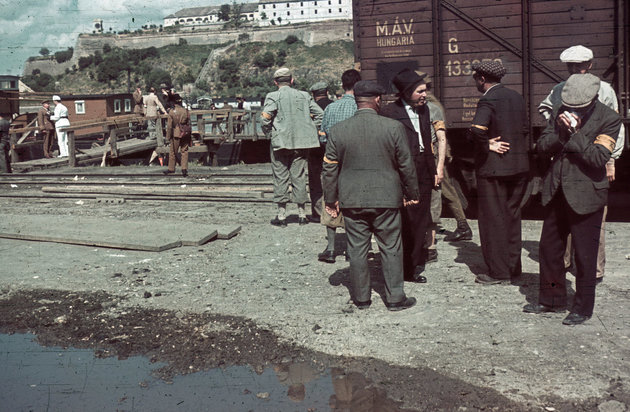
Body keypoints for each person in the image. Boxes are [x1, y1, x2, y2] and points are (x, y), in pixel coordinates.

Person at [525, 73, 621, 325]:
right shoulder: (559, 109)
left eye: (577, 106)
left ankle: (583, 307)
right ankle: (553, 299)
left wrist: (575, 133)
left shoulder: (610, 119)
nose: (570, 109)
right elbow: (542, 145)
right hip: (557, 191)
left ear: (594, 98)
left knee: (585, 255)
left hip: (587, 194)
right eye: (568, 105)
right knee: (550, 249)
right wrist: (560, 133)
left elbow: (598, 158)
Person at [322, 80, 420, 311]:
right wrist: (412, 192)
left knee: (356, 248)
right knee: (391, 247)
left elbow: (328, 169)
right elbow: (406, 165)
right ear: (377, 100)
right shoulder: (393, 128)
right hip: (386, 199)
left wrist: (330, 199)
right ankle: (395, 298)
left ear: (357, 101)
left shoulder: (338, 131)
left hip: (352, 199)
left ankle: (362, 298)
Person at [539, 45, 626, 283]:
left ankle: (593, 271)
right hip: (565, 161)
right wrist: (559, 125)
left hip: (593, 157)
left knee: (592, 219)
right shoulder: (560, 89)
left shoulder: (604, 89)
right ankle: (565, 263)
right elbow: (545, 108)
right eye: (571, 66)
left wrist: (611, 160)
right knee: (564, 215)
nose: (576, 70)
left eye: (580, 65)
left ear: (590, 65)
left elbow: (615, 128)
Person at [468, 61, 530, 285]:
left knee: (493, 221)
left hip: (494, 170)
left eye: (475, 78)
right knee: (512, 218)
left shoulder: (487, 99)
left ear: (482, 79)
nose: (475, 81)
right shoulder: (516, 97)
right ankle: (514, 269)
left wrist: (487, 146)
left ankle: (498, 273)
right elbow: (524, 130)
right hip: (518, 168)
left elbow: (476, 130)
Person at [381, 69, 436, 283]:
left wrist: (434, 171)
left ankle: (414, 266)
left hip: (423, 171)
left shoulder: (425, 111)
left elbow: (427, 143)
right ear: (406, 92)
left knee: (421, 220)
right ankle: (402, 268)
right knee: (404, 221)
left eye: (425, 90)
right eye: (419, 91)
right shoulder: (389, 113)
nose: (425, 95)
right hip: (402, 172)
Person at [261, 67, 323, 227]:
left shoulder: (273, 96)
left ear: (275, 82)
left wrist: (270, 132)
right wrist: (309, 128)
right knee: (299, 176)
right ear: (292, 80)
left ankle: (282, 216)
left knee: (280, 177)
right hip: (301, 144)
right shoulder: (304, 95)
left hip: (280, 143)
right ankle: (302, 214)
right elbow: (320, 114)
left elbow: (265, 118)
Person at [317, 69, 361, 263]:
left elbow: (323, 137)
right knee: (354, 206)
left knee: (331, 201)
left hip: (333, 162)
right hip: (356, 162)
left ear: (342, 86)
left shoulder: (330, 109)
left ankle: (331, 249)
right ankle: (354, 249)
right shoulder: (361, 108)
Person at [307, 81, 333, 223]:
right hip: (331, 147)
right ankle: (333, 211)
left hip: (314, 147)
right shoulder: (334, 105)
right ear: (327, 92)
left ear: (313, 94)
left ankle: (317, 213)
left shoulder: (311, 108)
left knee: (315, 180)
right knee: (331, 178)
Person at [163, 94, 191, 177]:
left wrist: (168, 137)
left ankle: (171, 169)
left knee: (173, 152)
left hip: (176, 133)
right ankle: (184, 169)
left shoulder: (172, 112)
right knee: (184, 151)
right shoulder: (185, 111)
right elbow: (188, 123)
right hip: (185, 133)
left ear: (174, 102)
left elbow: (169, 126)